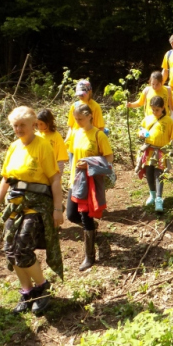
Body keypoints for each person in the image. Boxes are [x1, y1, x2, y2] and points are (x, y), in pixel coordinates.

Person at [0, 107, 64, 315]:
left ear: (33, 125)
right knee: (10, 250)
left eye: (22, 125)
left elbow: (55, 179)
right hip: (16, 203)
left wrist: (58, 209)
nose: (18, 129)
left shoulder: (43, 146)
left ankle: (42, 289)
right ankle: (27, 292)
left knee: (23, 248)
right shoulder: (14, 147)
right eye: (15, 125)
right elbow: (6, 178)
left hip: (38, 204)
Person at [68, 103, 114, 271]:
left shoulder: (98, 135)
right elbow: (72, 155)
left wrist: (89, 164)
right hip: (76, 180)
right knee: (71, 215)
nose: (77, 122)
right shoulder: (76, 133)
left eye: (80, 119)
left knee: (85, 216)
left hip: (91, 182)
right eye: (75, 119)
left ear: (89, 116)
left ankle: (89, 256)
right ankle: (93, 229)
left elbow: (109, 158)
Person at [137, 96, 173, 213]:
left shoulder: (169, 121)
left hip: (161, 151)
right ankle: (152, 194)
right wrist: (141, 134)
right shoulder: (147, 119)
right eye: (153, 109)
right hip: (149, 150)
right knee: (149, 172)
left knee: (159, 174)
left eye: (157, 110)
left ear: (163, 108)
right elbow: (140, 130)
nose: (154, 112)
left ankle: (159, 199)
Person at [66, 80, 105, 170]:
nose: (81, 96)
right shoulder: (74, 106)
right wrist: (66, 140)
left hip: (89, 145)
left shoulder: (95, 107)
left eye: (83, 94)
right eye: (79, 94)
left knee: (87, 172)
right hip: (74, 143)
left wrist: (98, 145)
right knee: (74, 170)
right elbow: (71, 127)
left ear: (90, 91)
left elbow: (100, 128)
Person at [36, 109, 69, 175]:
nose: (39, 127)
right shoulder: (36, 136)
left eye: (41, 124)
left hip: (53, 173)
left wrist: (57, 176)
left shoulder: (56, 136)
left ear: (48, 123)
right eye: (37, 124)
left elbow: (61, 160)